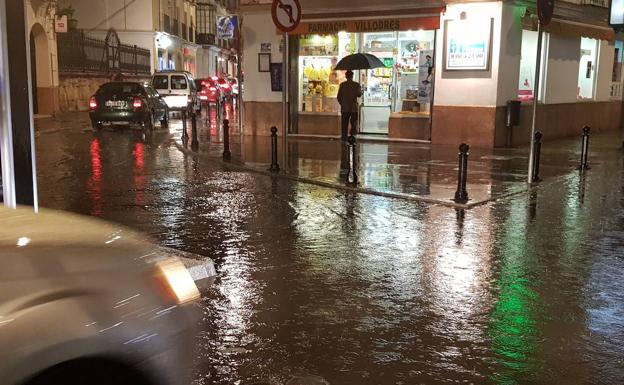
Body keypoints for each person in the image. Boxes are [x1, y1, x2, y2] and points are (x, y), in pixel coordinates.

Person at [337, 70, 362, 140]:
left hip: (345, 108)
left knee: (344, 124)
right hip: (353, 108)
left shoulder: (342, 85)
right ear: (352, 76)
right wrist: (361, 90)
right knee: (354, 123)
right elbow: (359, 95)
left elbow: (338, 97)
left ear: (346, 76)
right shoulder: (356, 85)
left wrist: (342, 104)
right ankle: (352, 136)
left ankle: (344, 137)